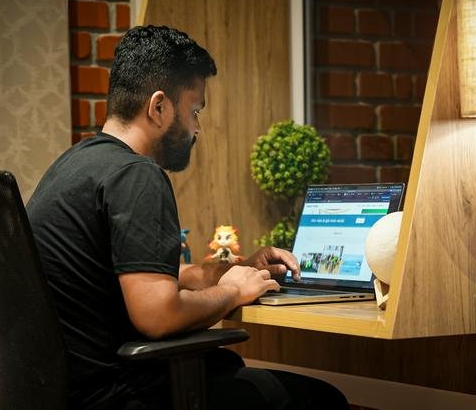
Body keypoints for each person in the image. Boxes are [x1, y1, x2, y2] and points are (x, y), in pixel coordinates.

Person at [26, 25, 348, 409]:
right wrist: (232, 292)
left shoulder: (76, 163)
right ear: (159, 107)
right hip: (117, 394)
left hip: (68, 390)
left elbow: (131, 277)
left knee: (228, 368)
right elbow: (157, 315)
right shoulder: (137, 174)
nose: (197, 129)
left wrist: (231, 271)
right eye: (194, 111)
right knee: (324, 400)